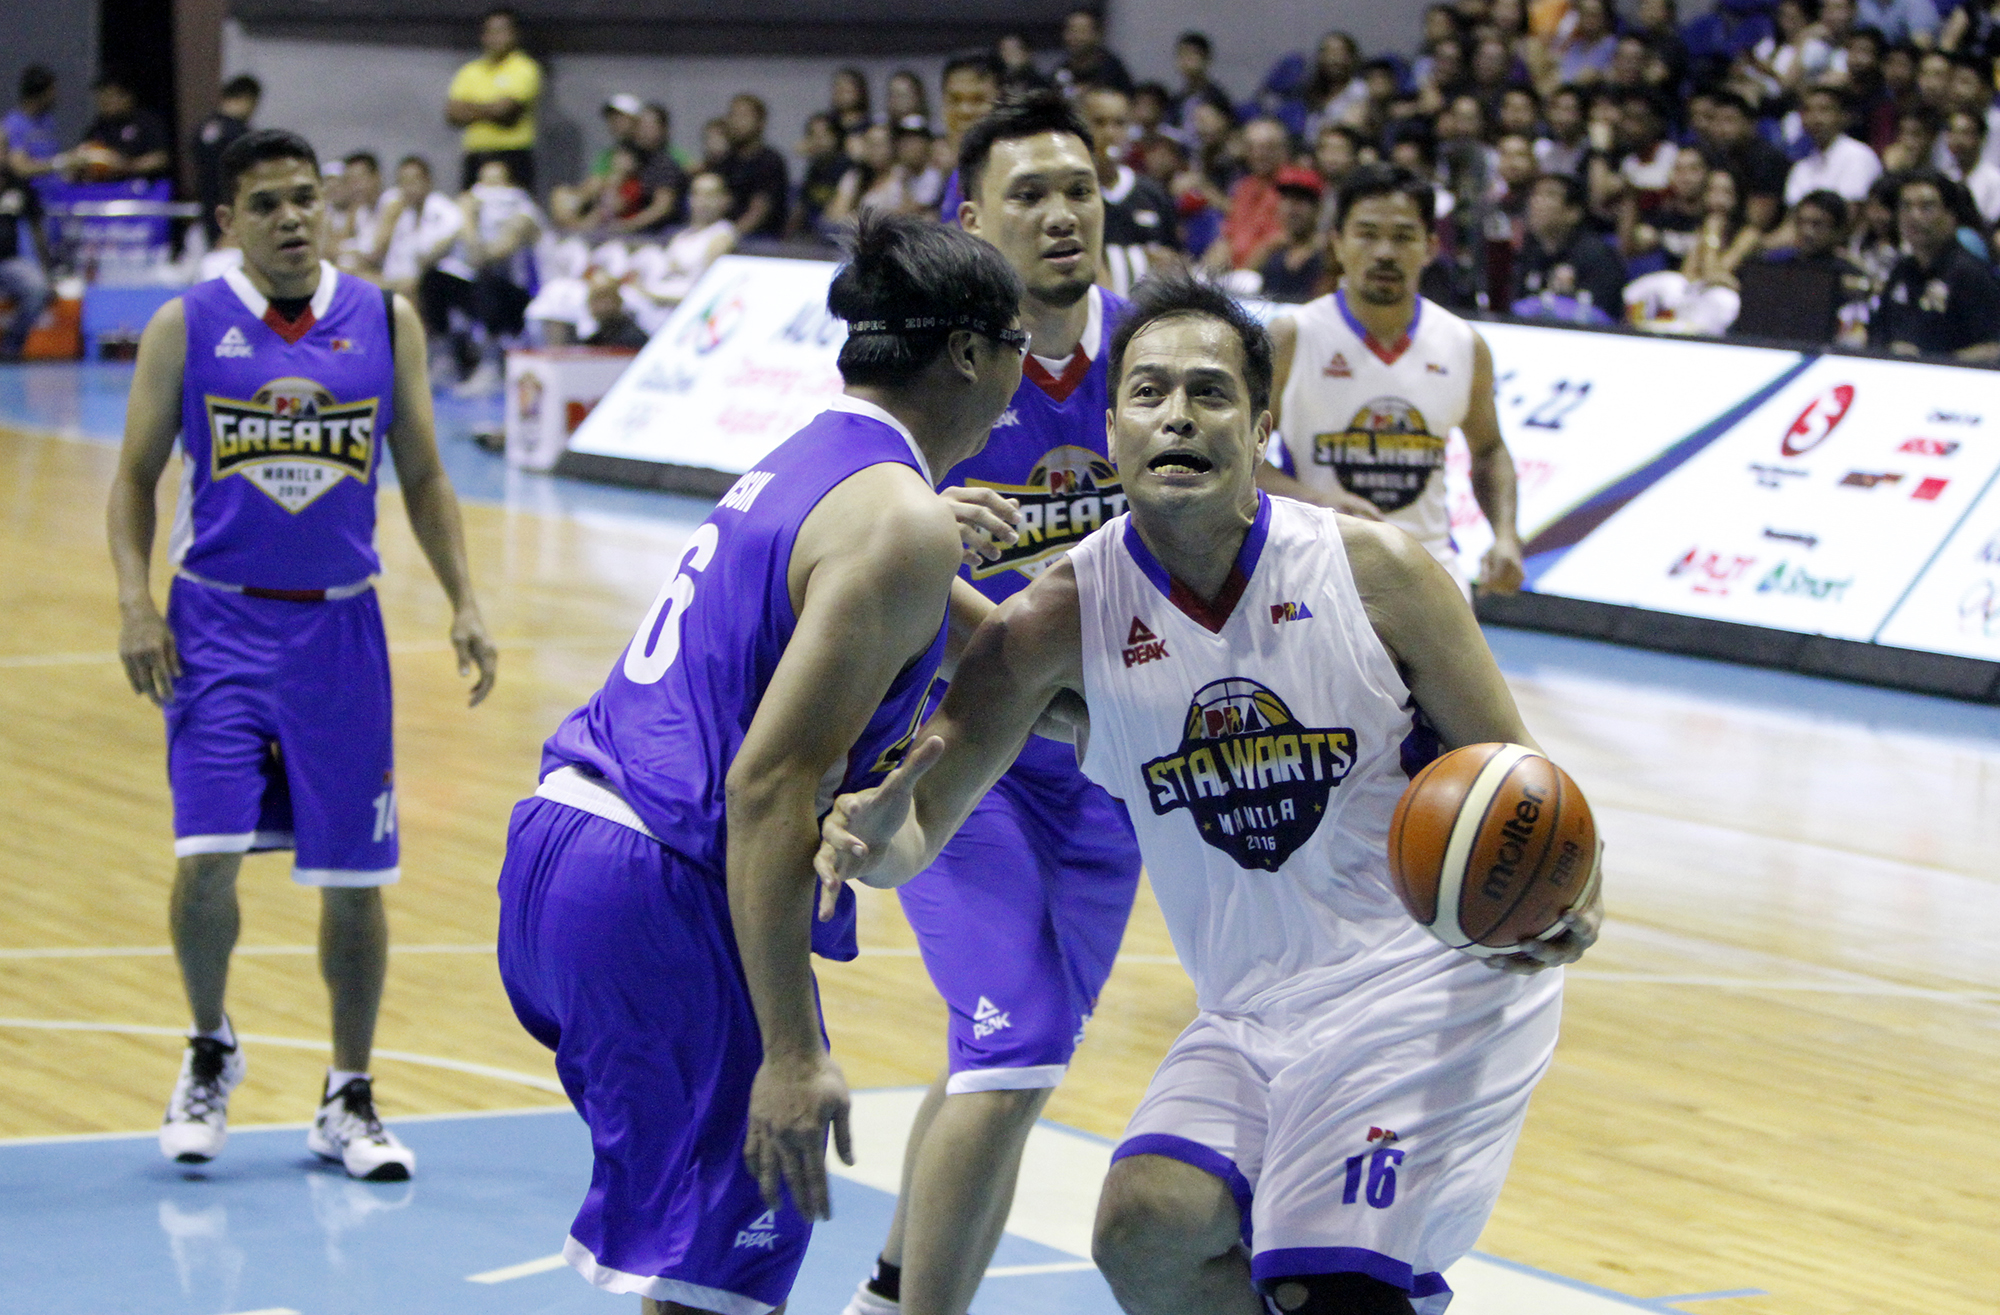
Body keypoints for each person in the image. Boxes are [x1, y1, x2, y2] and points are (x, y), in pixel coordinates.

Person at [818, 271, 1598, 1315]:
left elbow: (1518, 770)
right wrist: (869, 842)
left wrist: (1569, 887)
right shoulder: (1059, 617)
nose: (1174, 415)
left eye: (1207, 392)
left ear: (1261, 425)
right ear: (1111, 428)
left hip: (1423, 983)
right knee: (1145, 1229)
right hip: (1252, 1005)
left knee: (1326, 1281)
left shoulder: (1374, 571)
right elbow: (921, 817)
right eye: (1145, 393)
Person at [494, 210, 1028, 1313]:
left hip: (569, 851)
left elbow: (979, 642)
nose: (1026, 367)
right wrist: (791, 1050)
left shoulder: (823, 462)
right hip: (665, 879)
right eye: (1017, 340)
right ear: (970, 354)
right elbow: (766, 785)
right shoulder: (901, 519)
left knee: (702, 1275)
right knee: (729, 1266)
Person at [106, 128, 498, 1181]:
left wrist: (464, 598)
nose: (292, 218)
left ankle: (348, 1094)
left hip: (339, 631)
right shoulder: (183, 327)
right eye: (268, 202)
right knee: (206, 859)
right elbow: (134, 476)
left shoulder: (385, 318)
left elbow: (422, 474)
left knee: (354, 878)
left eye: (307, 199)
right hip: (216, 624)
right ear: (227, 221)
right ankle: (208, 1045)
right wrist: (135, 604)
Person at [839, 90, 1144, 1315]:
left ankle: (882, 1291)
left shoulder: (1158, 353)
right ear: (972, 219)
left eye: (1078, 187)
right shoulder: (937, 362)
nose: (1062, 213)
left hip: (1116, 773)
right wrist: (1015, 650)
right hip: (967, 759)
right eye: (1029, 193)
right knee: (1012, 1051)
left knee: (1006, 1052)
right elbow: (870, 520)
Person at [1258, 163, 1525, 600]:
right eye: (1366, 234)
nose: (1385, 252)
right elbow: (1237, 460)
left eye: (1403, 237)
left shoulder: (1463, 344)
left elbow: (1490, 451)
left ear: (1430, 247)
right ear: (1338, 243)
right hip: (1317, 571)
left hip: (1432, 574)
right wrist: (1314, 501)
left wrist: (1507, 537)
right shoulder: (1292, 337)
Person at [425, 157, 541, 395]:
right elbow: (429, 256)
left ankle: (490, 365)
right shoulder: (470, 210)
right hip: (483, 286)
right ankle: (445, 358)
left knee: (486, 283)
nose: (488, 190)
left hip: (519, 296)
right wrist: (462, 218)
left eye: (496, 182)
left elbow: (484, 258)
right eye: (484, 182)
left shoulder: (524, 214)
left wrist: (468, 218)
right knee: (435, 279)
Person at [1870, 169, 2000, 359]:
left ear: (1951, 215)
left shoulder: (1970, 274)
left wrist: (1931, 363)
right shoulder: (1902, 270)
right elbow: (1878, 330)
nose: (1914, 216)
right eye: (1905, 207)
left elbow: (1994, 347)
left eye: (1927, 207)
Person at [1082, 85, 1183, 294]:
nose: (1110, 133)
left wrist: (1168, 263)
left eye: (1119, 123)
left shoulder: (1152, 194)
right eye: (1099, 123)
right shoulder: (1070, 193)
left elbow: (1176, 258)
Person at [444, 6, 543, 192]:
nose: (496, 37)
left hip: (513, 157)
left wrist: (470, 108)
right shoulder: (468, 71)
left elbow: (506, 112)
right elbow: (452, 113)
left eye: (502, 31)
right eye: (490, 31)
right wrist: (491, 108)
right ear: (483, 36)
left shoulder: (524, 68)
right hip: (476, 158)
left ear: (514, 34)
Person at [1512, 170, 1629, 318]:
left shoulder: (1598, 257)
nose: (1536, 203)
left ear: (1573, 213)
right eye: (1535, 195)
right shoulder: (1530, 253)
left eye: (1550, 195)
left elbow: (1603, 315)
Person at [1205, 117, 1292, 272]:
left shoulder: (1295, 186)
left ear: (1283, 150)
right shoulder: (1243, 187)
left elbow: (1283, 237)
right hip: (1235, 275)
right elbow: (1227, 237)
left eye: (1267, 148)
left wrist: (1244, 272)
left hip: (1272, 272)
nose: (1259, 154)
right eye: (1252, 148)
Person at [192, 76, 262, 246]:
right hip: (234, 209)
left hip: (207, 207)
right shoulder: (241, 134)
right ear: (248, 99)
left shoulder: (202, 129)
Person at [1785, 85, 1884, 204]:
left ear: (1843, 116)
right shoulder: (1801, 167)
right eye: (1808, 110)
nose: (1815, 118)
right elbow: (1793, 215)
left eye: (1824, 110)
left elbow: (1852, 212)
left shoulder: (1858, 155)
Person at [935, 52, 1004, 219]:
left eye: (978, 100)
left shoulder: (1009, 175)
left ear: (1003, 104)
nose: (964, 111)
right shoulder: (954, 174)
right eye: (954, 99)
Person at [74, 73, 170, 181]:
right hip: (109, 188)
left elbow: (161, 158)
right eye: (101, 97)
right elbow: (86, 152)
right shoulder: (99, 126)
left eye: (109, 96)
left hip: (143, 188)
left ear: (127, 97)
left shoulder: (146, 122)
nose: (104, 102)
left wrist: (127, 166)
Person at [0, 154, 50, 360]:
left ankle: (11, 347)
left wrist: (47, 269)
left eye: (3, 146)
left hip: (8, 262)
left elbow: (37, 228)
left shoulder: (17, 184)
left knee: (38, 288)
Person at [718, 93, 789, 238]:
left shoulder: (770, 161)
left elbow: (759, 211)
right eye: (733, 115)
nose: (736, 122)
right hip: (724, 232)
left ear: (760, 123)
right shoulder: (725, 160)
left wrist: (728, 238)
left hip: (760, 240)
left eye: (743, 116)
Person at [1257, 166, 1330, 302]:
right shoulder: (1273, 249)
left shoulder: (1326, 254)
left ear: (1317, 209)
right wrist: (1266, 249)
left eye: (1300, 201)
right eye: (1286, 200)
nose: (1292, 210)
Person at [1053, 8, 1135, 97]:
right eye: (1071, 30)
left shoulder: (1113, 70)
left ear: (1097, 34)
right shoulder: (1061, 71)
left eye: (1082, 31)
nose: (1075, 37)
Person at [5, 65, 67, 179]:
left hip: (57, 190)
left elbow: (51, 157)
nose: (55, 96)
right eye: (51, 91)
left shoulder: (48, 121)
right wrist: (63, 162)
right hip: (32, 194)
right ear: (40, 94)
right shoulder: (14, 125)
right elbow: (21, 168)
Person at [1941, 106, 2000, 223]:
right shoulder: (1944, 176)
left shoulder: (1994, 180)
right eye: (1952, 132)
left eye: (1965, 133)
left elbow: (1991, 221)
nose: (1957, 139)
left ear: (1981, 138)